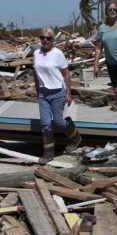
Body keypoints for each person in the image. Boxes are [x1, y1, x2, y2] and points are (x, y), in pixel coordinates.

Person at [33, 27, 81, 163]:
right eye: (42, 38)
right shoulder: (36, 53)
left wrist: (68, 93)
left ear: (53, 39)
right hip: (43, 93)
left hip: (57, 92)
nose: (45, 40)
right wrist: (38, 91)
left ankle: (76, 138)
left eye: (48, 38)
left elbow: (66, 74)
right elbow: (35, 74)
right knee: (45, 124)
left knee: (59, 122)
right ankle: (48, 153)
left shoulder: (58, 53)